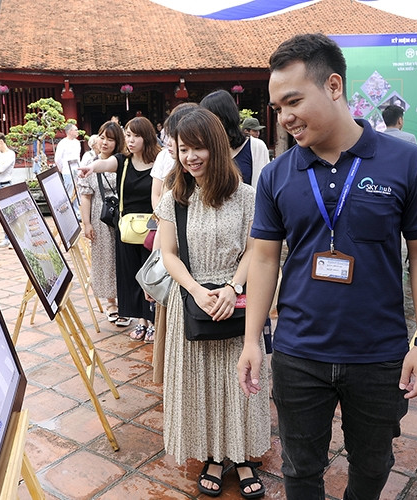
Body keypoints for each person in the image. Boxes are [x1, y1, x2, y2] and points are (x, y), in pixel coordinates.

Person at [237, 33, 417, 499]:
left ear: (333, 86)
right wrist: (252, 339)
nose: (284, 117)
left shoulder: (406, 161)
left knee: (373, 465)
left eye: (294, 101)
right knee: (299, 468)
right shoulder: (276, 174)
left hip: (379, 354)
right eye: (278, 107)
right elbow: (265, 257)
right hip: (298, 352)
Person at [156, 107, 270, 499]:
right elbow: (168, 253)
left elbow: (255, 250)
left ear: (217, 147)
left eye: (198, 148)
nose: (190, 157)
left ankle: (243, 456)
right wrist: (195, 290)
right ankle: (213, 457)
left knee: (240, 381)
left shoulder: (246, 196)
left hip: (236, 300)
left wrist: (232, 287)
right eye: (183, 149)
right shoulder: (175, 198)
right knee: (200, 383)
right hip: (193, 301)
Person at [79, 117, 160, 341]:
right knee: (132, 276)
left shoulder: (159, 162)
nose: (131, 140)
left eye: (136, 136)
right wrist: (90, 168)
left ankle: (154, 320)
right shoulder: (123, 161)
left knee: (151, 275)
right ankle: (142, 321)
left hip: (153, 228)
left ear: (147, 138)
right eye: (128, 135)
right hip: (127, 229)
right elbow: (104, 164)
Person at [149, 103, 197, 370]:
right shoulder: (173, 180)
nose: (168, 142)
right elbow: (164, 231)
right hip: (178, 273)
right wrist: (156, 268)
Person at [77, 121, 127, 326]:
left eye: (110, 139)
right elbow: (85, 196)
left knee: (123, 258)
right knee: (105, 258)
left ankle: (126, 302)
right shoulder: (90, 164)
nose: (105, 142)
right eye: (102, 137)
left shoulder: (123, 162)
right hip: (100, 217)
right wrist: (87, 223)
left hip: (122, 217)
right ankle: (111, 303)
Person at [200, 90, 268, 188]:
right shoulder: (206, 150)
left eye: (211, 118)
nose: (206, 124)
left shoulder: (256, 147)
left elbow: (263, 187)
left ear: (226, 117)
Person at [0, 132, 16, 248]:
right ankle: (6, 238)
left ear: (1, 142)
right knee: (1, 215)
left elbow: (1, 169)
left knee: (9, 214)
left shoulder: (10, 154)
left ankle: (13, 239)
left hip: (5, 185)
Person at [54, 123, 82, 206]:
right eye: (75, 130)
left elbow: (78, 157)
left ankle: (77, 211)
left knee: (77, 190)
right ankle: (69, 208)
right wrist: (61, 169)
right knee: (69, 190)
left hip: (77, 169)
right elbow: (58, 158)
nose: (77, 131)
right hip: (67, 170)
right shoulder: (62, 143)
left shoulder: (77, 142)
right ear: (70, 131)